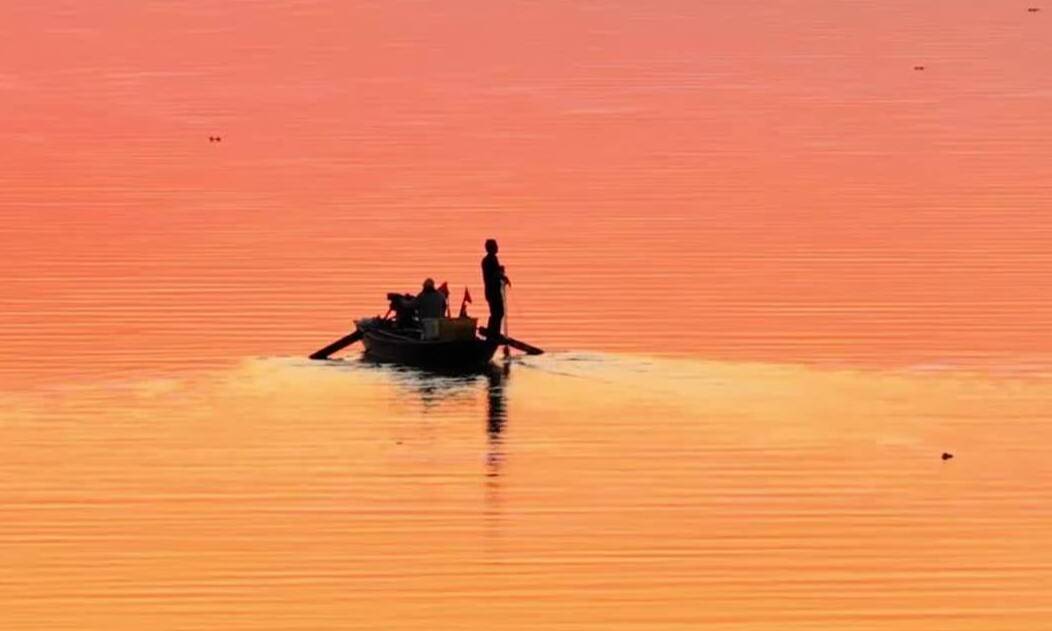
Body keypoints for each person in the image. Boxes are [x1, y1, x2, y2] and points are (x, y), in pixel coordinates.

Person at [481, 239, 510, 339]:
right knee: (498, 312)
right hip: (492, 291)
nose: (498, 247)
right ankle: (493, 332)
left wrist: (502, 275)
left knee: (496, 312)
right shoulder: (490, 260)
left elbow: (496, 273)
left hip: (490, 291)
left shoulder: (490, 259)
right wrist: (501, 272)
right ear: (492, 248)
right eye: (496, 246)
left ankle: (493, 332)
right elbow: (494, 274)